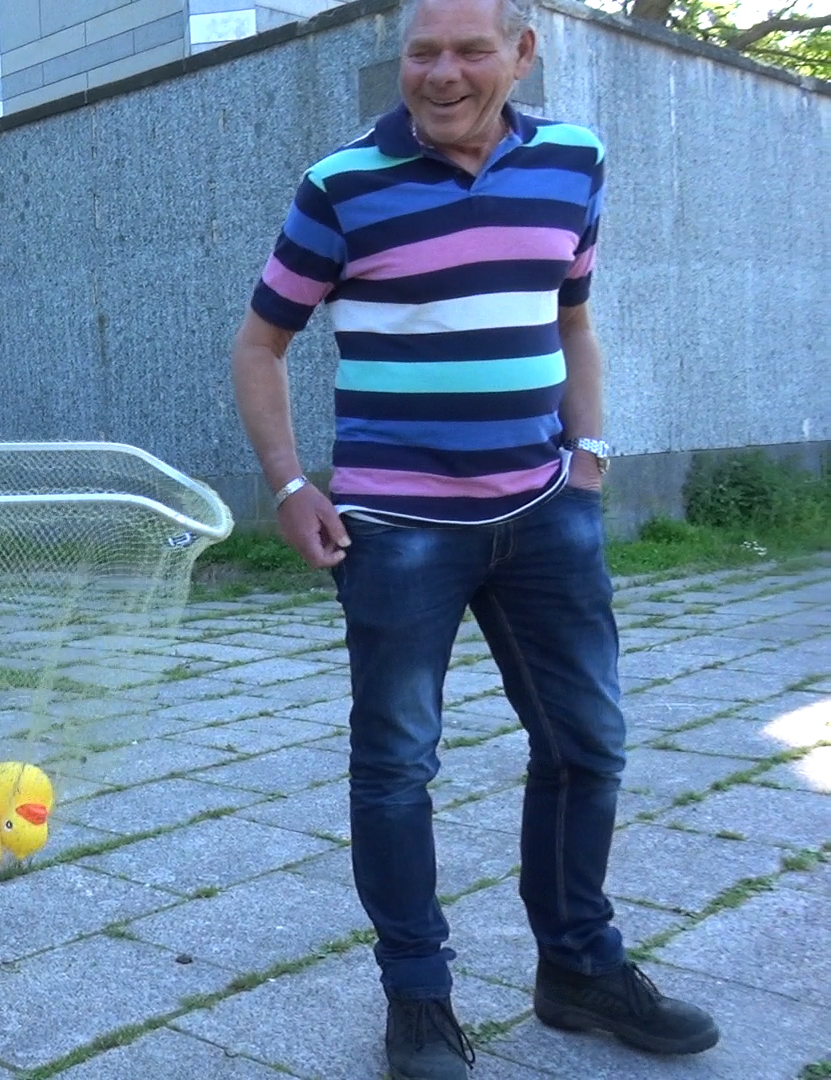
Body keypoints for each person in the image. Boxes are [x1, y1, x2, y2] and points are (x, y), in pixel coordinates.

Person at [228, 0, 720, 1075]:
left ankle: (579, 967)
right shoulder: (341, 184)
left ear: (521, 53)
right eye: (421, 51)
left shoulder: (575, 163)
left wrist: (587, 459)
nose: (441, 73)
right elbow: (261, 346)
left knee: (588, 744)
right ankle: (419, 999)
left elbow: (571, 318)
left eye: (468, 49)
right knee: (397, 766)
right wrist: (290, 485)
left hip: (548, 515)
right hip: (398, 528)